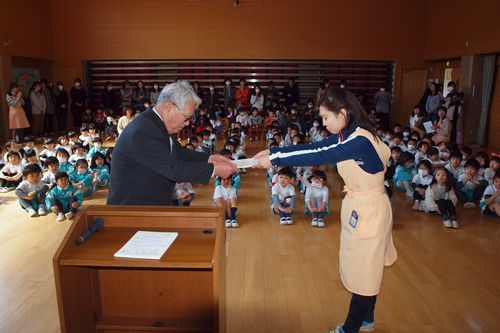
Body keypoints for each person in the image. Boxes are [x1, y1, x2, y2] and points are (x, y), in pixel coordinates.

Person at [253, 87, 397, 333]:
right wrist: (274, 151)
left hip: (370, 211)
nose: (324, 123)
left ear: (343, 113)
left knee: (365, 270)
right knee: (367, 266)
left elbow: (319, 153)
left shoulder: (359, 140)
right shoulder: (349, 135)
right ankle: (367, 320)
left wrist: (276, 158)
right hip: (362, 206)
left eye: (326, 117)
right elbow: (314, 147)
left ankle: (350, 327)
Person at [107, 81, 237, 206]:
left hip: (149, 205)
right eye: (186, 117)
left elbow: (177, 153)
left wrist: (209, 158)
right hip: (132, 210)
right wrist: (214, 169)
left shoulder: (155, 124)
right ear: (169, 107)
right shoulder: (143, 131)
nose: (188, 123)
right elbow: (173, 168)